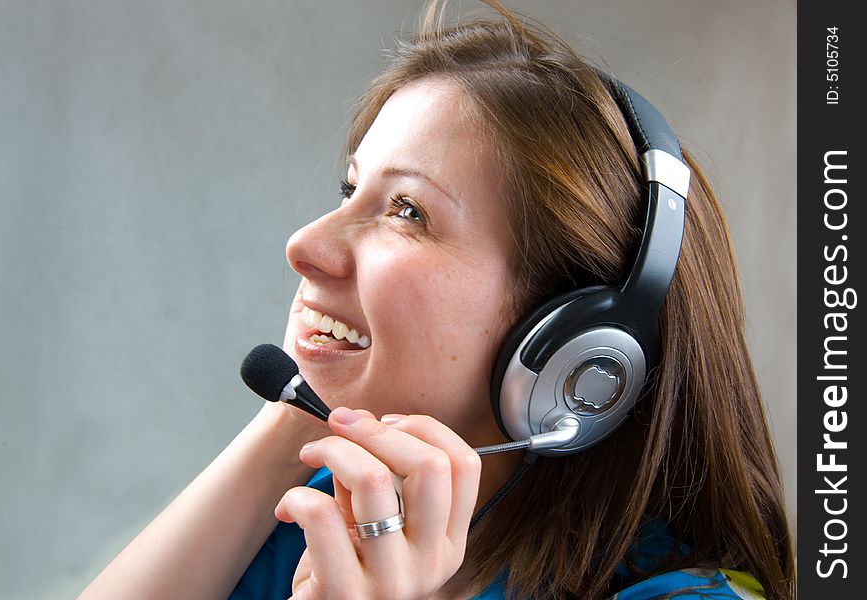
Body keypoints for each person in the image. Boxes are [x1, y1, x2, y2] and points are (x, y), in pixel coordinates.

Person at [79, 1, 795, 598]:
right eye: (348, 189)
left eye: (407, 212)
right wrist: (285, 428)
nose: (304, 244)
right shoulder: (329, 506)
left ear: (571, 340)